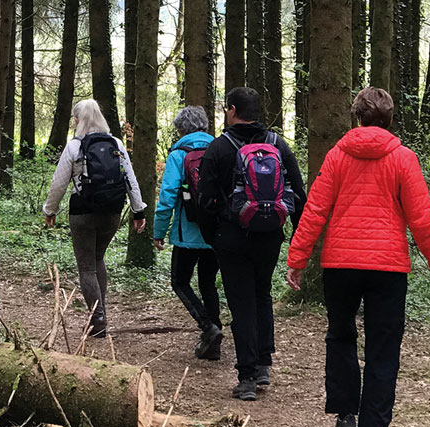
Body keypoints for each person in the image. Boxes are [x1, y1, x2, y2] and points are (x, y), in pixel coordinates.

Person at [286, 87, 430, 427]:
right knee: (383, 349)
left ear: (357, 116)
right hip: (387, 269)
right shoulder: (403, 158)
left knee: (340, 335)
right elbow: (422, 220)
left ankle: (346, 418)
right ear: (389, 118)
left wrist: (297, 258)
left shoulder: (337, 155)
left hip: (340, 265)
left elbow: (314, 211)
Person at [196, 87, 307, 401]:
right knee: (261, 294)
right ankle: (262, 365)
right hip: (270, 235)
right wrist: (298, 238)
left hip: (232, 240)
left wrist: (213, 238)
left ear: (232, 110)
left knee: (241, 301)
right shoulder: (277, 145)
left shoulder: (219, 148)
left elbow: (204, 200)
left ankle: (246, 378)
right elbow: (298, 194)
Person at [43, 99, 147, 337]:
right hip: (111, 211)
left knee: (87, 266)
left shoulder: (74, 147)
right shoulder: (117, 144)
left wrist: (50, 210)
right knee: (98, 259)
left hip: (82, 213)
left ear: (77, 120)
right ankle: (100, 314)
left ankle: (97, 320)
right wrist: (138, 210)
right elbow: (130, 179)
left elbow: (58, 184)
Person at [153, 106, 221, 360]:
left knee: (180, 282)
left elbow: (168, 195)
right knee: (208, 284)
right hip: (215, 231)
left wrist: (159, 230)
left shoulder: (179, 153)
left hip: (187, 234)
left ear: (181, 129)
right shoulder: (220, 148)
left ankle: (208, 327)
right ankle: (214, 339)